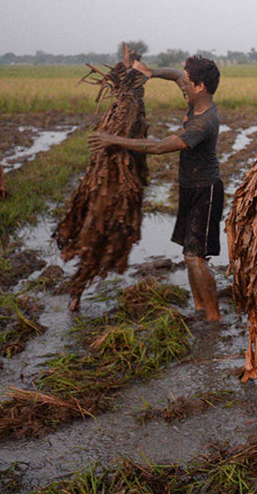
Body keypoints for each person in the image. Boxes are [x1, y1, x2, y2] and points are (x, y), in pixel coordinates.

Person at [88, 56, 224, 322]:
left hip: (206, 191)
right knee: (189, 254)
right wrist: (148, 72)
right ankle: (199, 309)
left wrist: (113, 140)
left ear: (201, 87)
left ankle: (213, 318)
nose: (183, 86)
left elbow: (159, 147)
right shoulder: (196, 99)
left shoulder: (204, 123)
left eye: (189, 83)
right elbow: (174, 74)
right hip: (189, 187)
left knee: (195, 257)